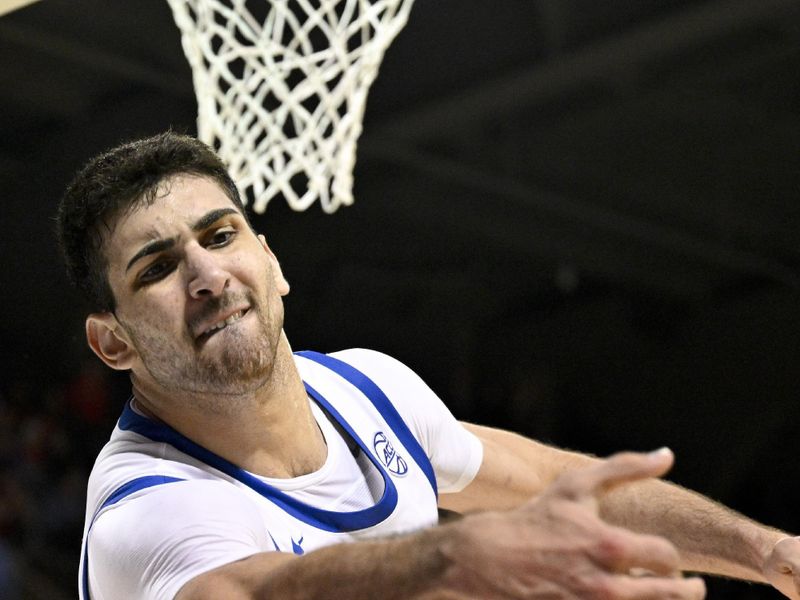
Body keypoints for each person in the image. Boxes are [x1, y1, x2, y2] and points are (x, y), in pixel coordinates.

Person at [57, 131, 800, 600]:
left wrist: (768, 552)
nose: (207, 275)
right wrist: (451, 558)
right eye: (157, 268)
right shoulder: (146, 503)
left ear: (272, 262)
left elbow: (557, 489)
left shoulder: (368, 387)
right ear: (112, 342)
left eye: (220, 236)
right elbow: (244, 591)